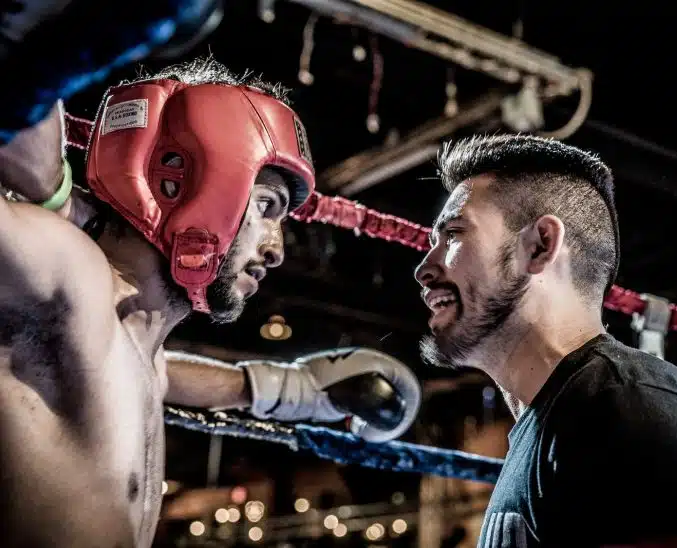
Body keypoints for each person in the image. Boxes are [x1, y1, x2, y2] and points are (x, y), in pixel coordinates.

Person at [0, 57, 420, 548]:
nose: (277, 249)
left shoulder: (133, 345)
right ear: (192, 181)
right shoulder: (70, 275)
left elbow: (163, 376)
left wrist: (292, 388)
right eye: (265, 207)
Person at [414, 134, 677, 547]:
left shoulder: (625, 410)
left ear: (541, 246)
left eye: (453, 234)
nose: (424, 268)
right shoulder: (563, 423)